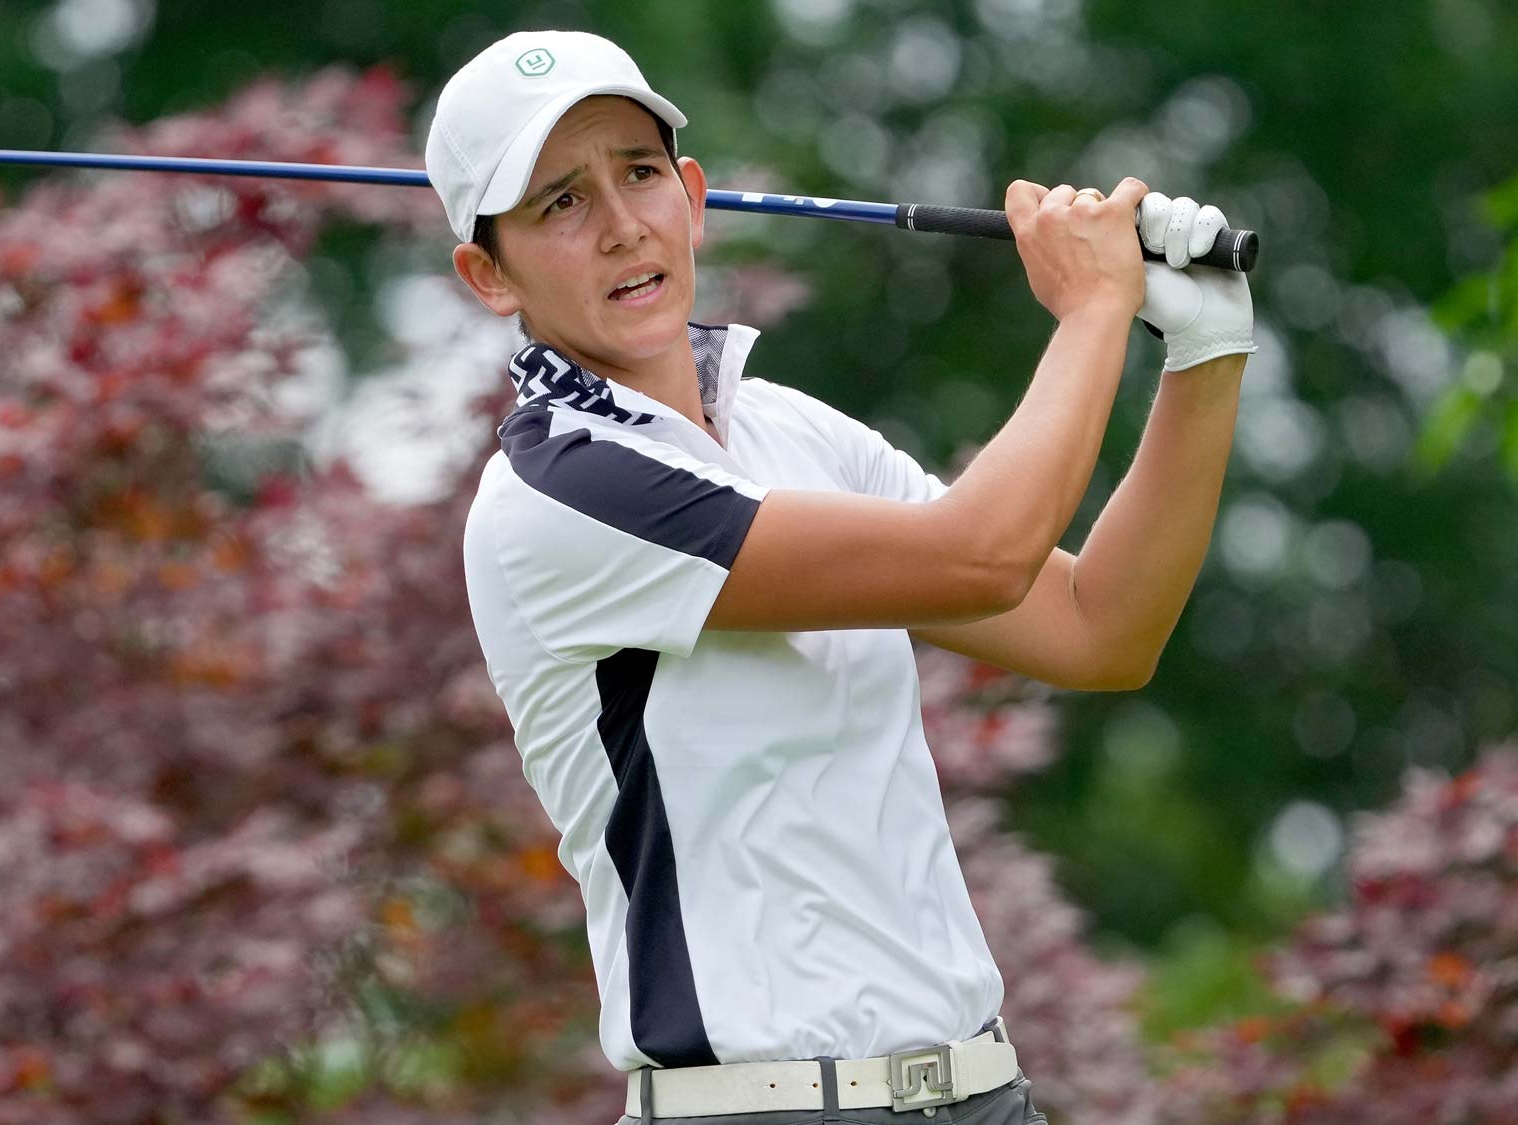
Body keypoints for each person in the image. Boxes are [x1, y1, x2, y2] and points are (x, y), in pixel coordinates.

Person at [429, 29, 1253, 1125]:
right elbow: (980, 553)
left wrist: (1201, 355)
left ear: (692, 196)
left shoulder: (788, 429)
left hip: (982, 1093)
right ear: (489, 275)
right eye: (558, 204)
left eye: (636, 174)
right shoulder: (558, 491)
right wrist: (1096, 307)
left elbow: (1095, 628)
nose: (622, 225)